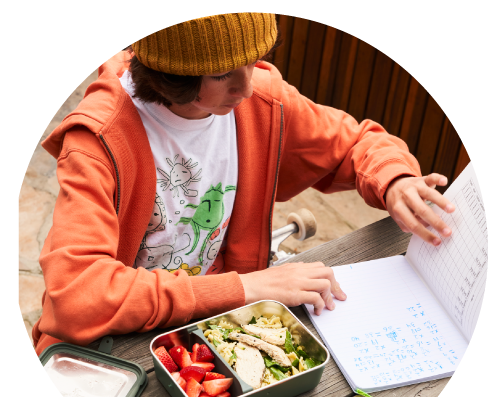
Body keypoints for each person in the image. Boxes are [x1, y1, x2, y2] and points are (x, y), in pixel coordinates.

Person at [32, 13, 455, 356]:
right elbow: (77, 295)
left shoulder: (260, 101)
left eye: (254, 60)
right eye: (221, 74)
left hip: (215, 327)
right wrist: (245, 287)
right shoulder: (97, 140)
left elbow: (357, 144)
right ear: (168, 73)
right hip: (110, 348)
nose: (247, 85)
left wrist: (395, 178)